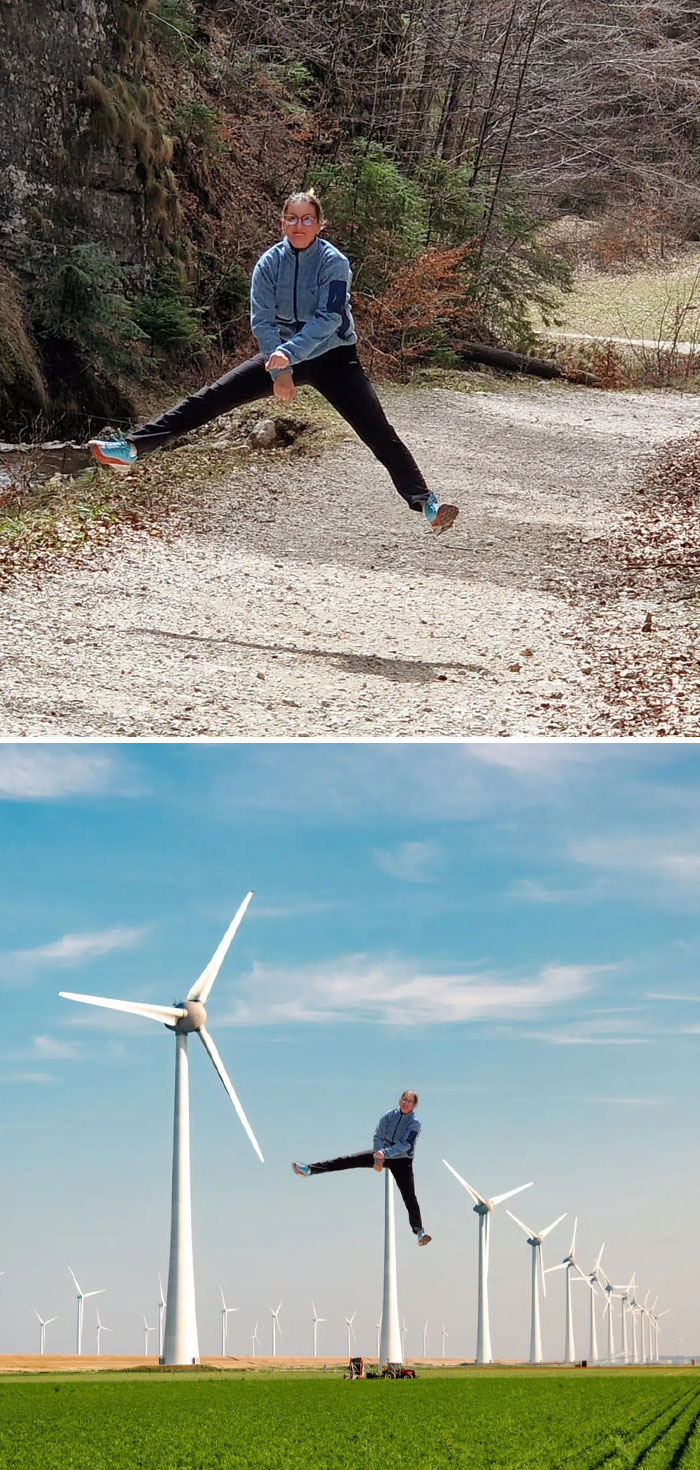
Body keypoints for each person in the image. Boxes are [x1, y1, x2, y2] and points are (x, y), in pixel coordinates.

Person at [89, 190, 459, 532]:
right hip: (279, 353)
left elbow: (329, 319)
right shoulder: (268, 264)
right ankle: (133, 447)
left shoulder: (334, 262)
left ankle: (426, 502)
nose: (299, 226)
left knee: (376, 430)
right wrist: (280, 367)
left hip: (333, 356)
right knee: (212, 397)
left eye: (307, 219)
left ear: (319, 224)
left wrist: (287, 355)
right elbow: (262, 321)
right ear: (282, 223)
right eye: (292, 219)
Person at [292, 1088, 431, 1245]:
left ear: (414, 1105)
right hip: (381, 1153)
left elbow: (405, 1145)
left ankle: (419, 1231)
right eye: (403, 1099)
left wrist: (383, 1154)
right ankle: (310, 1169)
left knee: (409, 1196)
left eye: (409, 1101)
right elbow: (378, 1135)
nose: (405, 1103)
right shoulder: (389, 1115)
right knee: (349, 1160)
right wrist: (378, 1156)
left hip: (401, 1160)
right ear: (400, 1100)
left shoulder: (415, 1123)